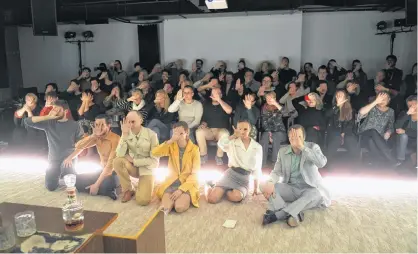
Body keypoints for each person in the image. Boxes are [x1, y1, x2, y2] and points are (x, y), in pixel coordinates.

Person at [261, 125, 330, 227]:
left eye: (299, 137)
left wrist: (302, 147)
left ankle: (278, 214)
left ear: (304, 138)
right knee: (264, 185)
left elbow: (321, 163)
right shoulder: (282, 152)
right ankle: (294, 211)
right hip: (291, 188)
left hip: (309, 189)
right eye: (293, 137)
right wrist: (270, 182)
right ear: (289, 139)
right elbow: (276, 172)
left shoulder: (313, 147)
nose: (296, 140)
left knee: (317, 194)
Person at [24, 100, 84, 191]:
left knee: (72, 184)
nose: (54, 111)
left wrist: (70, 158)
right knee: (50, 187)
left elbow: (82, 145)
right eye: (53, 108)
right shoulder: (49, 123)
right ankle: (57, 174)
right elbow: (27, 121)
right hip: (54, 160)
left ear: (65, 111)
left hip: (69, 159)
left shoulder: (75, 125)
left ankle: (64, 173)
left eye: (58, 109)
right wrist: (47, 117)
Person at [62, 115, 120, 200]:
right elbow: (78, 146)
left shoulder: (116, 139)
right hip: (102, 171)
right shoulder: (96, 137)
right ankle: (104, 191)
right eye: (96, 125)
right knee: (78, 182)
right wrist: (92, 135)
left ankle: (104, 188)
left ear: (109, 125)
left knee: (106, 184)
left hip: (114, 173)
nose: (99, 127)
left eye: (102, 125)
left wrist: (96, 185)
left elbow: (110, 166)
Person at [206, 120, 262, 204]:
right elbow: (221, 144)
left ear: (250, 129)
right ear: (236, 129)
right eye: (240, 129)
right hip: (230, 174)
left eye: (245, 129)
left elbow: (258, 167)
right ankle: (210, 185)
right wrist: (233, 136)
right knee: (212, 199)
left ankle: (224, 190)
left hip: (244, 179)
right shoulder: (232, 142)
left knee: (236, 197)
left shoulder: (257, 147)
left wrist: (255, 188)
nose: (242, 132)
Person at [152, 121, 200, 213]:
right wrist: (170, 141)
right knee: (164, 209)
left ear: (187, 132)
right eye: (175, 133)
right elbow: (155, 153)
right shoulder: (171, 145)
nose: (178, 136)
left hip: (187, 184)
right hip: (171, 182)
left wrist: (181, 190)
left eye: (181, 133)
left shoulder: (194, 149)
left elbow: (195, 174)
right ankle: (169, 200)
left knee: (179, 207)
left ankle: (184, 197)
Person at [113, 111, 159, 205]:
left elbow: (154, 162)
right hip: (133, 168)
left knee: (142, 201)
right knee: (117, 161)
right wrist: (124, 135)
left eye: (133, 122)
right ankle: (128, 190)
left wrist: (134, 161)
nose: (130, 124)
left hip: (147, 169)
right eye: (128, 122)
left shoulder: (152, 135)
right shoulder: (126, 133)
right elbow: (119, 154)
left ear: (141, 121)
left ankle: (149, 184)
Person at [358, 92, 397, 165]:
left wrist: (389, 132)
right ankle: (391, 159)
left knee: (371, 141)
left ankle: (376, 162)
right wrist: (375, 102)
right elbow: (361, 114)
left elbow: (391, 126)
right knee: (373, 131)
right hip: (364, 135)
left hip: (379, 138)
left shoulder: (391, 111)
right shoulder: (371, 107)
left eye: (385, 99)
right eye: (381, 99)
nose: (382, 101)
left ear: (389, 100)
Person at [196, 87, 232, 166]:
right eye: (213, 94)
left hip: (220, 131)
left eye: (217, 93)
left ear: (221, 95)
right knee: (199, 132)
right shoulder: (206, 105)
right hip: (209, 131)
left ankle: (219, 157)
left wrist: (219, 100)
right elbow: (204, 119)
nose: (215, 95)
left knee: (225, 133)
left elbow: (229, 110)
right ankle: (203, 155)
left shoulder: (225, 103)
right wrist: (203, 124)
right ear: (211, 95)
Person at [326, 90, 358, 163]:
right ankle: (328, 164)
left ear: (345, 98)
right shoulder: (332, 108)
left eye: (341, 96)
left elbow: (351, 124)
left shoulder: (351, 110)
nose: (339, 97)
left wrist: (343, 133)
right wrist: (337, 106)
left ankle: (356, 165)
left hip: (347, 132)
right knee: (336, 138)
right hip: (334, 132)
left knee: (350, 139)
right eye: (337, 96)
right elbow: (326, 115)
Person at [260, 92, 287, 166]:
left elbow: (286, 113)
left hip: (280, 132)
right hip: (269, 131)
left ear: (274, 98)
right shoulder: (264, 108)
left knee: (276, 136)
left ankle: (275, 162)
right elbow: (264, 122)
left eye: (270, 98)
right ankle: (263, 162)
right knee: (265, 136)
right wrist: (269, 133)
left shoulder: (280, 106)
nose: (268, 99)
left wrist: (276, 104)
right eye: (267, 98)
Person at [394, 96, 417, 167]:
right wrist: (407, 114)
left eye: (415, 104)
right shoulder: (405, 114)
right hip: (404, 146)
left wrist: (406, 131)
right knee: (403, 136)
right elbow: (396, 127)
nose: (413, 107)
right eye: (410, 105)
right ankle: (400, 161)